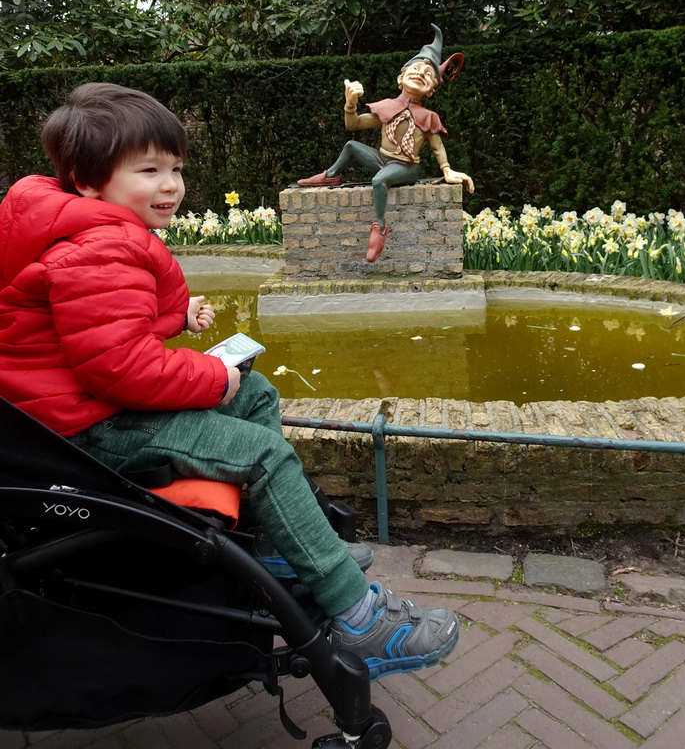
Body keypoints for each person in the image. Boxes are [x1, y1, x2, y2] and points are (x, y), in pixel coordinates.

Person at [0, 82, 459, 682]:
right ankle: (360, 619)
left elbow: (98, 328)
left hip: (82, 407)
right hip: (87, 431)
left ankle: (276, 542)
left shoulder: (80, 228)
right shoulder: (97, 246)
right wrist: (212, 374)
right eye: (149, 170)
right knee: (263, 452)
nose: (171, 185)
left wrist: (180, 322)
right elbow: (121, 368)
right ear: (89, 181)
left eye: (176, 169)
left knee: (259, 391)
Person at [297, 24, 474, 262]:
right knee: (351, 146)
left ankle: (379, 226)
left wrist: (447, 169)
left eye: (429, 74)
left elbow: (436, 146)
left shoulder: (428, 117)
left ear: (431, 90)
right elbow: (355, 124)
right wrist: (349, 105)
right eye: (416, 68)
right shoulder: (387, 106)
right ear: (400, 77)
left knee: (379, 180)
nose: (422, 73)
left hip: (406, 167)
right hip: (382, 160)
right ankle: (331, 175)